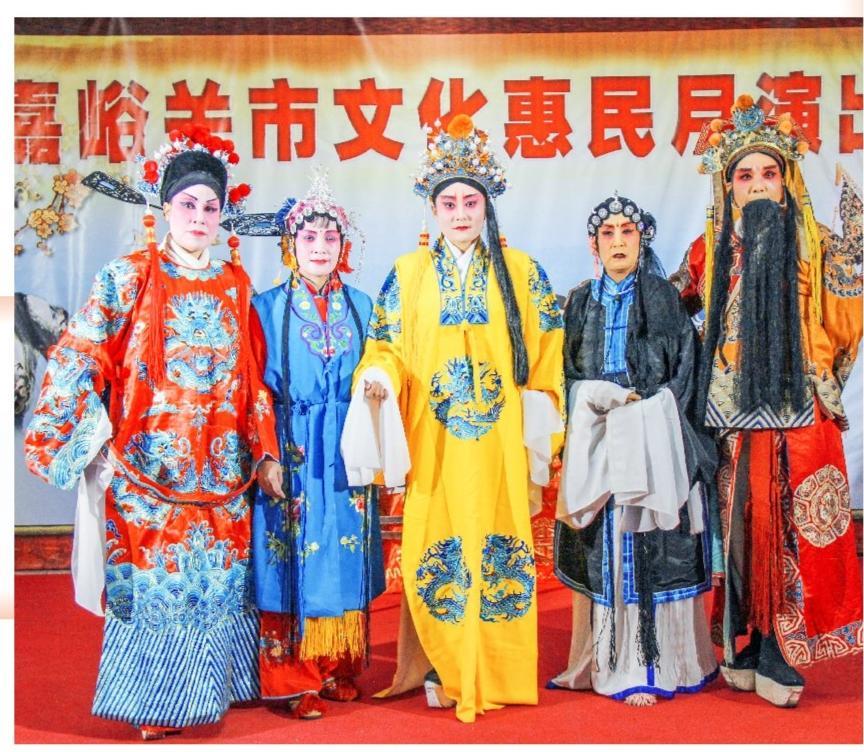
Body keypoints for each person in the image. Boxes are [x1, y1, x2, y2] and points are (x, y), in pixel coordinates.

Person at [24, 125, 279, 740]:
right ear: (165, 207)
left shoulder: (235, 282)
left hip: (222, 469)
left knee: (215, 584)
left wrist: (264, 450)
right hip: (147, 468)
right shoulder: (127, 274)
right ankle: (154, 706)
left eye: (211, 208)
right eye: (188, 204)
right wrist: (91, 441)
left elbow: (252, 373)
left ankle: (209, 694)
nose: (200, 217)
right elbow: (79, 353)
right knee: (154, 589)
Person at [341, 114, 564, 723]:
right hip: (433, 438)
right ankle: (441, 662)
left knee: (497, 547)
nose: (460, 213)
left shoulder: (522, 271)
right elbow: (385, 344)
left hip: (497, 442)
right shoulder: (408, 273)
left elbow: (547, 351)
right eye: (449, 203)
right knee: (434, 543)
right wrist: (378, 377)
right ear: (433, 210)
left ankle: (496, 670)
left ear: (487, 207)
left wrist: (539, 426)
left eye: (471, 202)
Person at [670, 94, 863, 707]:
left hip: (800, 414)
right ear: (728, 187)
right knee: (739, 531)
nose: (757, 185)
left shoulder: (817, 244)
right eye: (744, 175)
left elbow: (845, 321)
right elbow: (671, 309)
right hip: (732, 420)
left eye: (769, 173)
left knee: (795, 529)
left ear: (786, 181)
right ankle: (747, 636)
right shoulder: (708, 250)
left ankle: (785, 645)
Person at [549, 194, 719, 706]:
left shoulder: (664, 298)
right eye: (609, 234)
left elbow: (686, 370)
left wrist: (652, 410)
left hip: (653, 435)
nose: (619, 242)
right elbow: (565, 371)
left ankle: (653, 663)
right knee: (604, 545)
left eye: (628, 232)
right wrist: (594, 397)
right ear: (593, 245)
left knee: (651, 542)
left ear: (642, 240)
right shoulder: (580, 301)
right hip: (597, 436)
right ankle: (601, 660)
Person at [250, 169, 384, 720]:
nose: (321, 247)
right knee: (288, 556)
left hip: (346, 444)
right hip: (293, 443)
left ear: (343, 246)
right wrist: (266, 455)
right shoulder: (265, 307)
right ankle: (292, 677)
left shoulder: (364, 306)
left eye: (331, 237)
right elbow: (254, 389)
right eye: (309, 237)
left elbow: (383, 367)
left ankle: (336, 667)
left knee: (344, 552)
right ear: (291, 244)